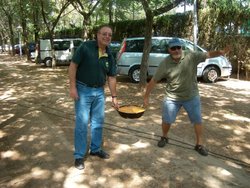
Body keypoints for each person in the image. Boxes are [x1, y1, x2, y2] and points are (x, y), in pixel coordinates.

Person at [143, 38, 230, 156]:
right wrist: (146, 97)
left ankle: (199, 144)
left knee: (197, 120)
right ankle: (164, 137)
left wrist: (220, 52)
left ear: (181, 48)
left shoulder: (191, 56)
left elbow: (208, 54)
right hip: (172, 97)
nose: (176, 50)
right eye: (173, 48)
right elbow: (153, 81)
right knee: (166, 120)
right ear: (169, 50)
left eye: (178, 47)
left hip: (191, 95)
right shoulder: (165, 63)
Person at [68, 25, 119, 170]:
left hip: (99, 92)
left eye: (110, 34)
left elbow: (112, 77)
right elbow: (72, 67)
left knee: (98, 122)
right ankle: (79, 156)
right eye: (104, 34)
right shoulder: (85, 47)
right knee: (82, 123)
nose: (107, 37)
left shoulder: (110, 53)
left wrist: (114, 96)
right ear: (97, 35)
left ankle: (95, 149)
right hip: (83, 89)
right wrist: (72, 87)